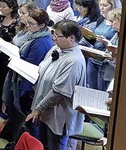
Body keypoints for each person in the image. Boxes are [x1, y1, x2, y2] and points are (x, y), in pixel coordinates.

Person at [26, 20, 85, 150]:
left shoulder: (74, 61)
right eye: (54, 34)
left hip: (59, 115)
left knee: (55, 146)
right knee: (42, 145)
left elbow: (59, 92)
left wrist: (38, 108)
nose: (54, 38)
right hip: (46, 110)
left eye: (58, 36)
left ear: (71, 38)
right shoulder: (56, 49)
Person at [0, 6, 53, 141]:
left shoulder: (41, 42)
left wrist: (15, 58)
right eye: (27, 22)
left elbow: (30, 66)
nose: (27, 25)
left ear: (42, 25)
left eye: (31, 24)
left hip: (26, 86)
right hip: (20, 80)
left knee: (25, 119)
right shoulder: (34, 36)